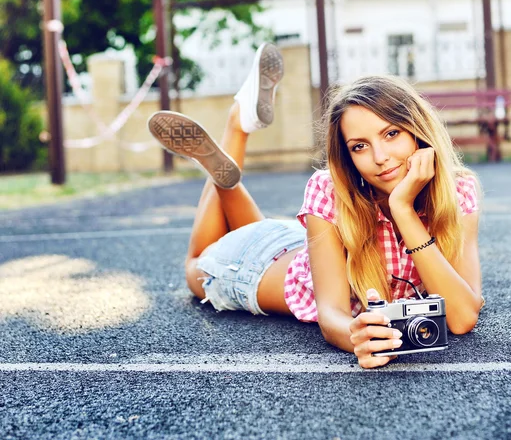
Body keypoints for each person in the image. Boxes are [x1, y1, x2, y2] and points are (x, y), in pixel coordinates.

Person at [148, 43, 483, 369]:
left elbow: (464, 315)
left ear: (418, 131)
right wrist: (356, 338)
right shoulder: (330, 190)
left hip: (298, 242)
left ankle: (229, 165)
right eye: (360, 146)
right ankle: (235, 129)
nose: (380, 158)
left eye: (392, 133)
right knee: (195, 265)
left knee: (253, 221)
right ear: (347, 157)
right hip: (251, 266)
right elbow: (331, 315)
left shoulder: (459, 190)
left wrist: (404, 210)